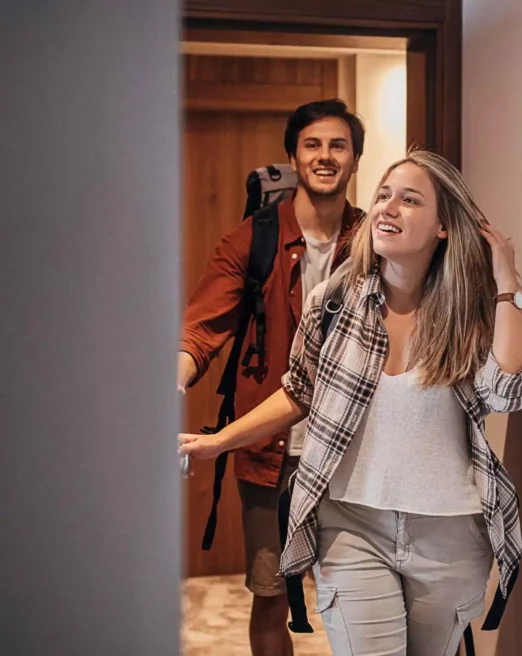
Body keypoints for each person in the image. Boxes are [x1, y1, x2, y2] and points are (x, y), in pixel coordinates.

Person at [180, 149, 522, 656]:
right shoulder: (333, 301)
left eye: (410, 199)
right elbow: (298, 391)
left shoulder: (470, 310)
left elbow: (511, 391)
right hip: (352, 525)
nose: (387, 208)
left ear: (443, 226)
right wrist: (220, 441)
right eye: (383, 195)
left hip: (449, 534)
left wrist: (506, 286)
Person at [177, 99, 365, 656]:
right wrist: (172, 380)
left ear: (355, 159)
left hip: (357, 449)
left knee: (362, 594)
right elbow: (200, 329)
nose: (325, 156)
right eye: (313, 144)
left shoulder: (373, 240)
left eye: (338, 145)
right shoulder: (253, 239)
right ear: (293, 155)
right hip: (269, 451)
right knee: (271, 595)